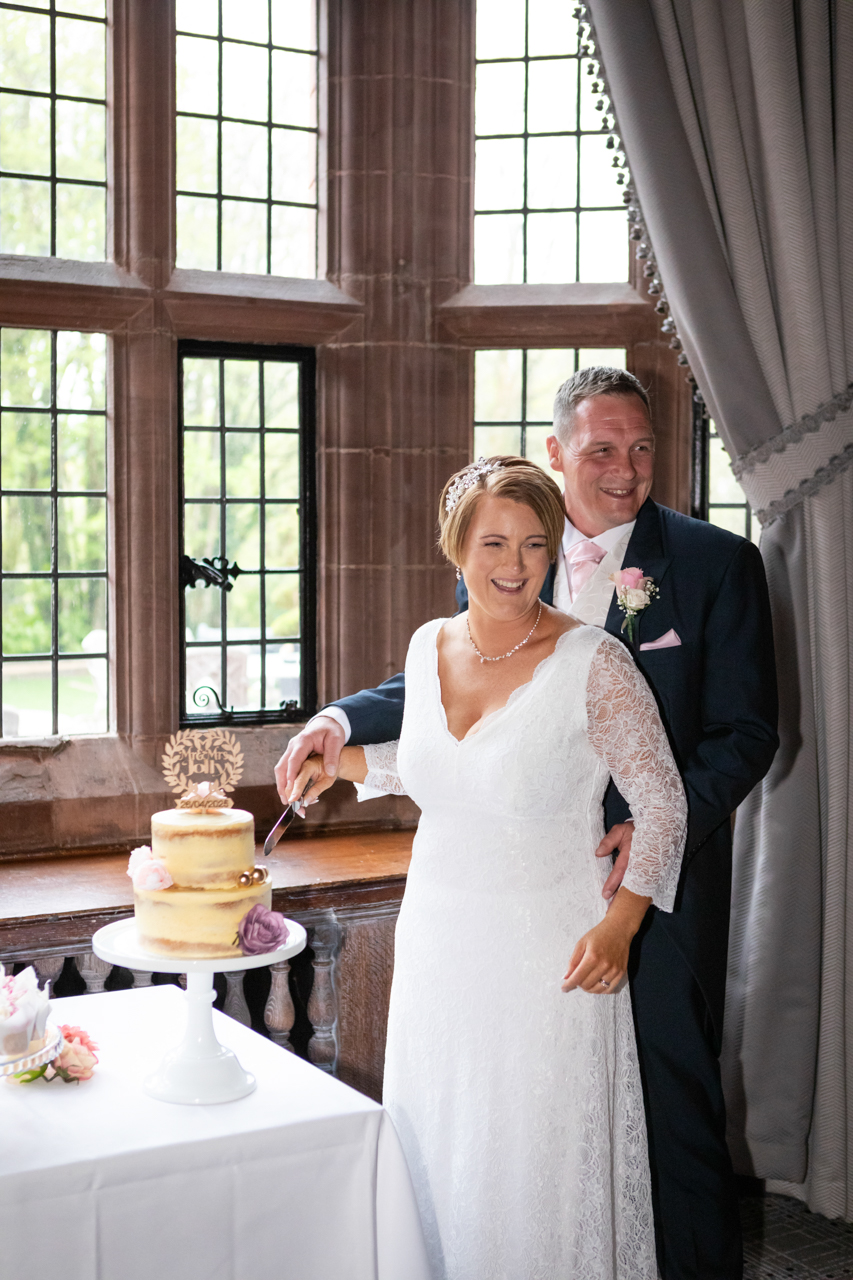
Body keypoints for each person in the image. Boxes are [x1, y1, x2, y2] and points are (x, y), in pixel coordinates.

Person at [277, 367, 779, 1279]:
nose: (624, 468)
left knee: (670, 1113)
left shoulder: (715, 563)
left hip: (640, 890)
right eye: (601, 449)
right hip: (468, 917)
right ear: (557, 452)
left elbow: (745, 733)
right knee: (484, 1128)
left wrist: (645, 848)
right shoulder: (474, 592)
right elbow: (451, 716)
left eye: (640, 447)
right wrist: (337, 727)